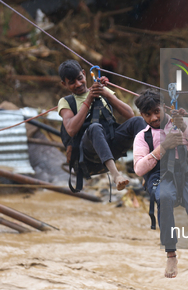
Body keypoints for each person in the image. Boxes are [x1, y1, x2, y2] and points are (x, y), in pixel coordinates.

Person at [133, 90, 188, 287]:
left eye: (156, 112)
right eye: (147, 114)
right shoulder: (143, 137)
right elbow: (139, 169)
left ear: (164, 107)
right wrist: (163, 147)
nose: (153, 118)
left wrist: (184, 127)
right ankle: (171, 254)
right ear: (142, 115)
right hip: (163, 175)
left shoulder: (183, 122)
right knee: (164, 197)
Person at [58, 60, 146, 192]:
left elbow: (130, 114)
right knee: (95, 127)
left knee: (138, 121)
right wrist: (88, 100)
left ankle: (147, 169)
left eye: (80, 78)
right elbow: (70, 129)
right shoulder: (65, 102)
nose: (78, 84)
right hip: (89, 152)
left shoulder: (102, 90)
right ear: (64, 84)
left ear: (83, 74)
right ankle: (116, 175)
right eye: (72, 83)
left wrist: (106, 94)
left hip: (111, 144)